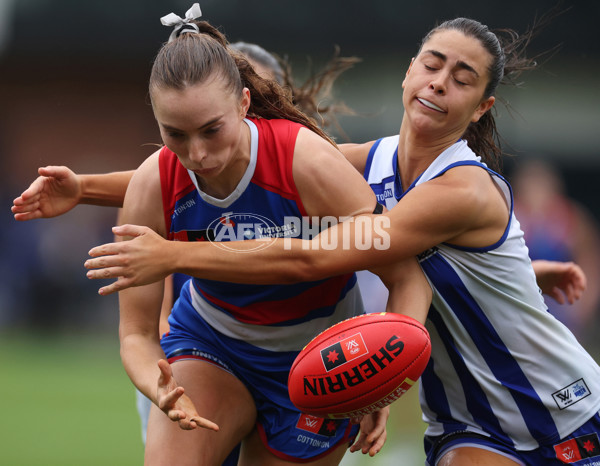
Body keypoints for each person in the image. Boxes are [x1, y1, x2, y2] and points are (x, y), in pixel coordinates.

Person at [84, 14, 600, 466]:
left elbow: (315, 255)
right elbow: (225, 172)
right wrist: (81, 187)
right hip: (466, 421)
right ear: (408, 71)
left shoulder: (463, 188)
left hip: (560, 407)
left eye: (461, 79)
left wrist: (172, 253)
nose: (439, 82)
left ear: (482, 107)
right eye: (431, 64)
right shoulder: (369, 162)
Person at [53, 5, 437, 465]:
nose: (196, 154)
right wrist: (159, 386)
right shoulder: (153, 182)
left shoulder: (307, 162)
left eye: (212, 130)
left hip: (317, 360)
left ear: (244, 103)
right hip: (212, 344)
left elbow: (407, 277)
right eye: (174, 134)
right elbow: (135, 334)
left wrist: (385, 381)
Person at [512, 158, 600, 341]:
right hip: (521, 307)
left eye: (541, 186)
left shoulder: (571, 218)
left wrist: (582, 309)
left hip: (561, 310)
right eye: (530, 186)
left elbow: (590, 262)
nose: (536, 193)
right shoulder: (508, 217)